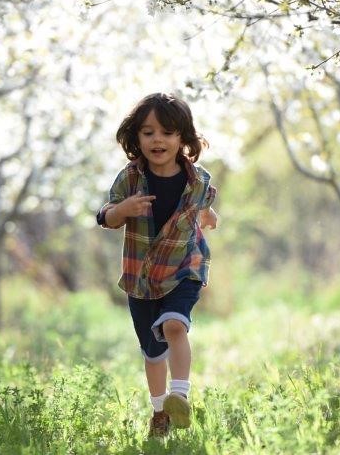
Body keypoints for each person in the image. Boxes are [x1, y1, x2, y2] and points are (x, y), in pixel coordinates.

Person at [96, 92, 218, 437]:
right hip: (143, 277)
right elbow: (105, 214)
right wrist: (122, 211)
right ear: (136, 138)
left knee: (174, 327)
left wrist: (208, 215)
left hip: (185, 267)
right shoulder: (130, 179)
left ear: (183, 138)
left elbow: (200, 202)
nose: (157, 140)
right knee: (152, 352)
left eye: (167, 132)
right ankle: (160, 411)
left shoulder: (198, 179)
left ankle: (180, 395)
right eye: (148, 133)